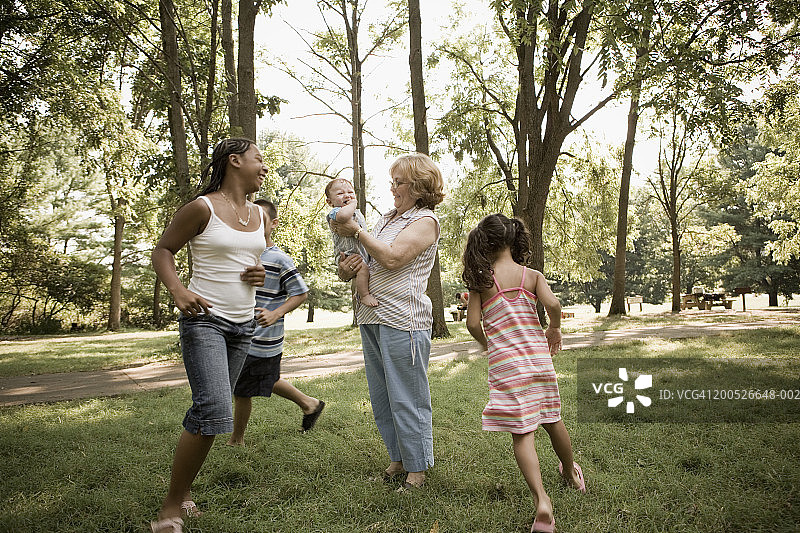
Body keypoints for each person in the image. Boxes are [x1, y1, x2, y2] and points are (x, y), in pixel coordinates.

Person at [150, 138, 269, 533]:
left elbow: (253, 264)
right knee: (214, 410)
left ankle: (183, 494)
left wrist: (259, 274)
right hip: (206, 321)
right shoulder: (202, 207)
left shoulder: (258, 215)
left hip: (243, 326)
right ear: (234, 161)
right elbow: (163, 250)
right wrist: (178, 291)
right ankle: (171, 507)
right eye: (259, 159)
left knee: (210, 411)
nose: (264, 167)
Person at [461, 213, 585, 533]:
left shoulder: (482, 282)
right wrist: (554, 329)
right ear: (512, 241)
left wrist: (488, 344)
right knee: (552, 419)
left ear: (483, 243)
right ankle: (570, 472)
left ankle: (542, 500)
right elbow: (554, 305)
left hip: (507, 365)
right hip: (539, 360)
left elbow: (473, 324)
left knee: (522, 433)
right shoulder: (531, 275)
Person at [334, 153, 444, 491]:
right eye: (392, 181)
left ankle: (417, 470)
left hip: (402, 319)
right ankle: (398, 459)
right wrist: (346, 268)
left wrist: (357, 232)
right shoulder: (384, 218)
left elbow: (394, 258)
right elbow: (362, 260)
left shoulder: (424, 221)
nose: (392, 188)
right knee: (382, 396)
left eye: (399, 182)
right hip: (371, 315)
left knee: (407, 396)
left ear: (419, 186)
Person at [226, 198, 325, 446]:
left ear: (274, 224)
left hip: (264, 338)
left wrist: (275, 313)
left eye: (261, 220)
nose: (255, 225)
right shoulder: (240, 254)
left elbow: (300, 293)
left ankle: (236, 440)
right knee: (262, 380)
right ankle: (310, 404)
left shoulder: (279, 259)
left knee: (243, 388)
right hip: (241, 333)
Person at [325, 178, 378, 307]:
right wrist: (353, 204)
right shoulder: (335, 212)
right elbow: (344, 217)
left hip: (359, 252)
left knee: (364, 271)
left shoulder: (356, 213)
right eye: (340, 193)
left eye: (350, 192)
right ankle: (364, 295)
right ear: (330, 202)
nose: (347, 195)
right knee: (362, 269)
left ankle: (360, 293)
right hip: (348, 254)